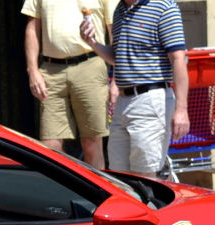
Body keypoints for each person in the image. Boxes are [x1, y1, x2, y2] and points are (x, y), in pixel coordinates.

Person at [80, 0, 188, 178]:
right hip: (123, 102)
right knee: (119, 176)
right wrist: (93, 43)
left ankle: (153, 206)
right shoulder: (120, 9)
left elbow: (178, 59)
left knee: (144, 176)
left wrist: (181, 109)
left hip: (149, 100)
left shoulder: (164, 7)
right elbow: (118, 57)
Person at [22, 0, 116, 169]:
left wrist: (116, 79)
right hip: (51, 70)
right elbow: (32, 28)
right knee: (50, 145)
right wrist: (32, 70)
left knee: (92, 143)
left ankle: (97, 193)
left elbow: (115, 32)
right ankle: (62, 192)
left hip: (90, 66)